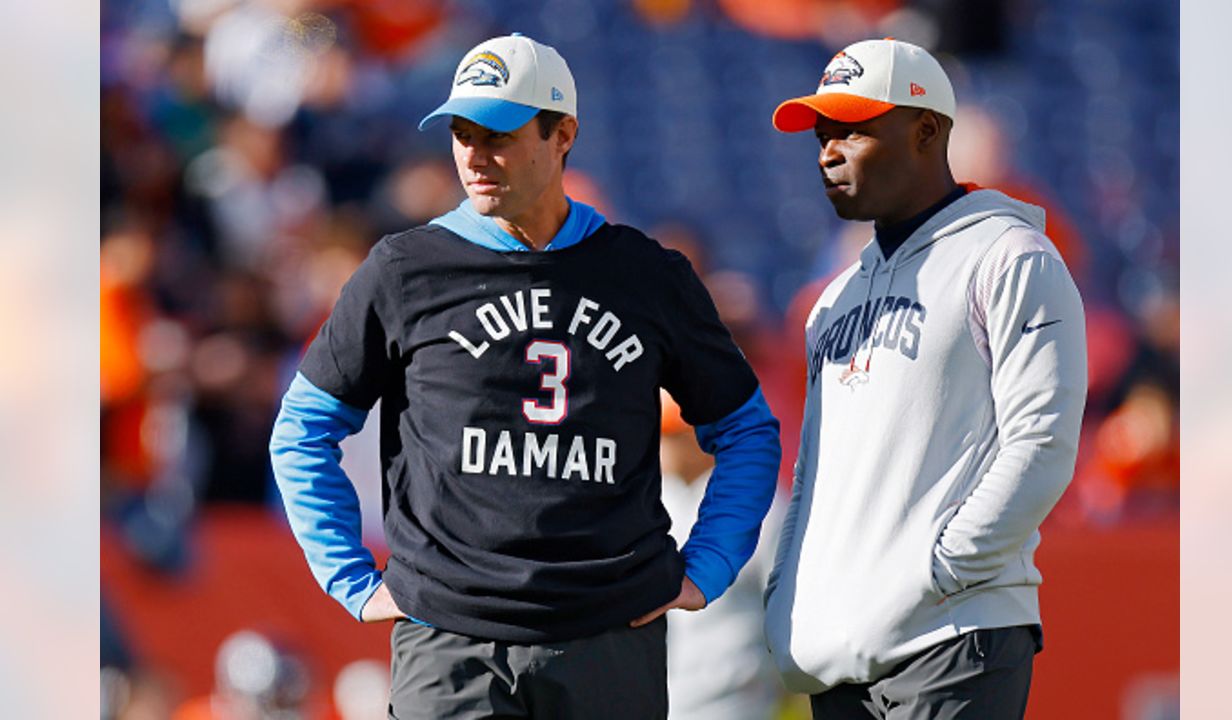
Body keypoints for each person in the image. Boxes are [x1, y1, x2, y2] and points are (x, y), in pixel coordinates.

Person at [269, 33, 780, 720]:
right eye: (461, 133)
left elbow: (746, 427)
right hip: (451, 643)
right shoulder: (404, 270)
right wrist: (350, 578)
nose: (475, 156)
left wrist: (708, 565)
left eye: (499, 134)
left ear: (562, 134)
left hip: (608, 640)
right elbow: (302, 427)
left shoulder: (648, 276)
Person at [763, 38, 1087, 719]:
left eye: (852, 128)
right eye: (822, 133)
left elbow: (1042, 442)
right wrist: (789, 594)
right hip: (845, 648)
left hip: (952, 634)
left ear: (927, 131)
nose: (827, 150)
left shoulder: (1010, 255)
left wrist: (939, 572)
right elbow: (813, 476)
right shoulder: (833, 299)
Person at [657, 391, 784, 720]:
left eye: (677, 436)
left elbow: (784, 605)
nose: (667, 446)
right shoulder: (651, 501)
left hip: (737, 702)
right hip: (660, 700)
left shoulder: (760, 505)